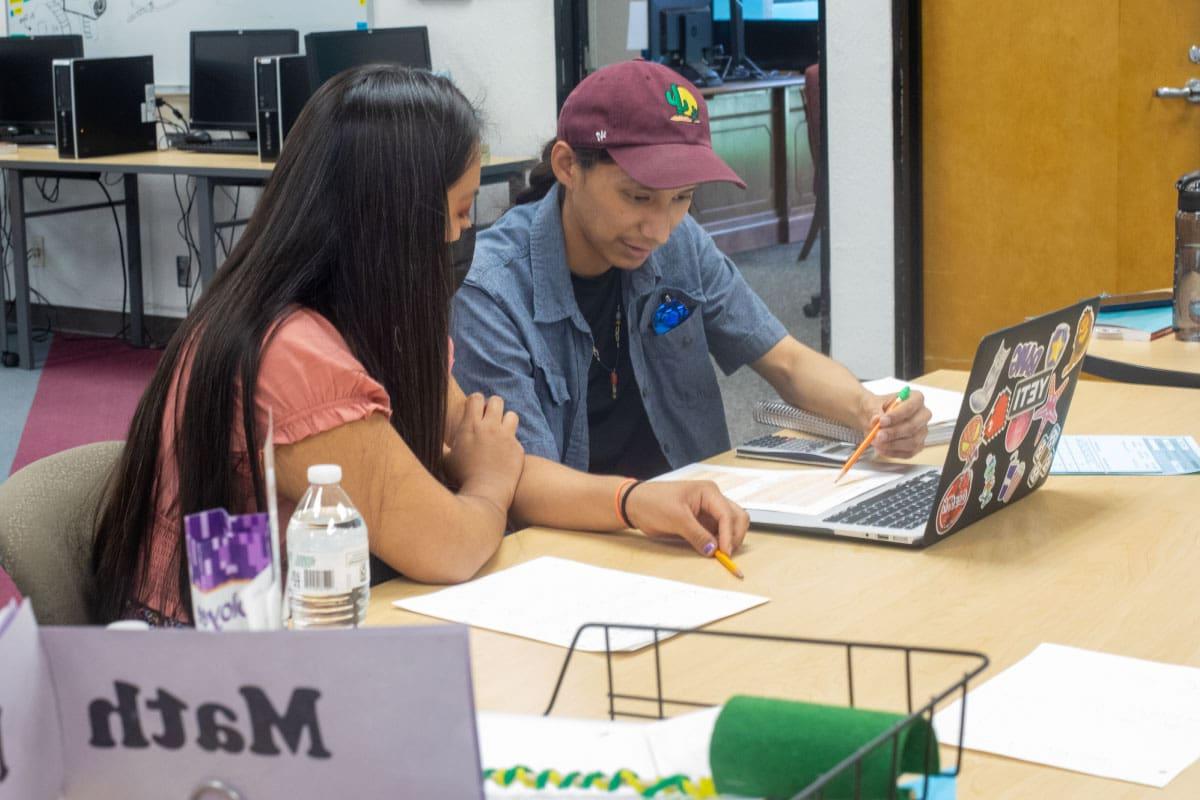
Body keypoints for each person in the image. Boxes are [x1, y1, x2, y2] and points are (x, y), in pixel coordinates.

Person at [90, 66, 748, 627]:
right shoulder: (292, 356)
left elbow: (494, 451)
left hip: (334, 621)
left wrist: (633, 503)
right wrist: (486, 481)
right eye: (460, 213)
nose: (468, 235)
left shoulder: (374, 322)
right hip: (222, 672)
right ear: (393, 219)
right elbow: (451, 543)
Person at [451, 60, 931, 480]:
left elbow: (785, 361)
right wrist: (639, 505)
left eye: (683, 198)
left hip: (695, 520)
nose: (660, 229)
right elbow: (525, 481)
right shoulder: (489, 289)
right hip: (575, 550)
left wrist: (870, 411)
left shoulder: (680, 243)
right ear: (568, 165)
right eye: (638, 197)